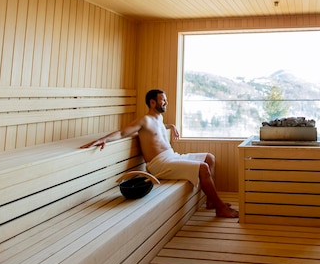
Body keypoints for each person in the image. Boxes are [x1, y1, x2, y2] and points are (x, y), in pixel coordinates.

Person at [81, 89, 238, 218]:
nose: (166, 103)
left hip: (172, 156)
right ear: (152, 102)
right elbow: (123, 132)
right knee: (203, 168)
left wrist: (171, 126)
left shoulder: (159, 118)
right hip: (160, 164)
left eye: (166, 100)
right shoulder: (144, 120)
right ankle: (220, 208)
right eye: (163, 100)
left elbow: (157, 131)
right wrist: (104, 139)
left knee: (209, 157)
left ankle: (211, 200)